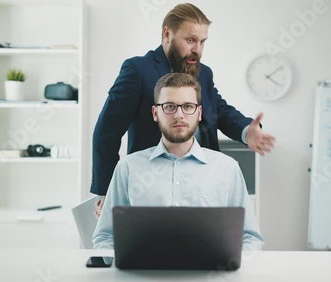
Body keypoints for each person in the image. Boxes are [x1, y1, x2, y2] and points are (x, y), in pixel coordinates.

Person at [92, 3, 276, 216]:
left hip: (201, 184)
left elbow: (220, 110)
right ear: (167, 34)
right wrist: (108, 192)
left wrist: (246, 130)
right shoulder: (138, 70)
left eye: (202, 42)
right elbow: (106, 132)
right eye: (190, 40)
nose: (197, 49)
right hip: (151, 186)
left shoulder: (204, 73)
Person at [92, 73, 264, 251]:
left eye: (188, 106)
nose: (179, 115)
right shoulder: (128, 168)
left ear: (199, 113)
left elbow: (250, 238)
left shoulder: (227, 168)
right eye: (170, 106)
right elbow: (105, 236)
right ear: (155, 113)